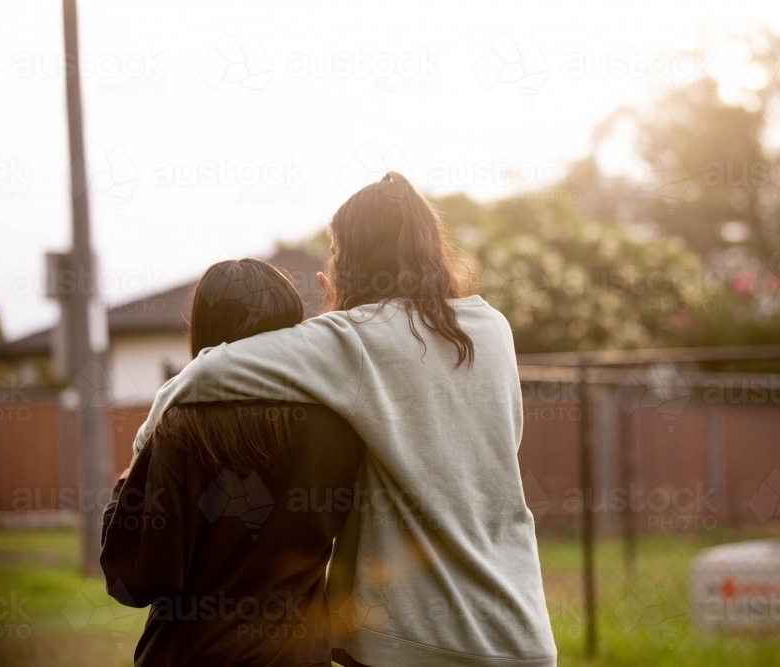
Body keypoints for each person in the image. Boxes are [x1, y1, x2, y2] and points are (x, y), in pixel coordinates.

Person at [133, 172, 558, 667]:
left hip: (419, 639)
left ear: (351, 256)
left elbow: (213, 368)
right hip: (520, 631)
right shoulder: (492, 327)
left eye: (336, 248)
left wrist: (147, 442)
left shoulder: (352, 341)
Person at [101, 258, 363, 667]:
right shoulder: (341, 429)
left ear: (206, 331)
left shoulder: (179, 429)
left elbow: (132, 582)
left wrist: (125, 485)